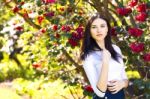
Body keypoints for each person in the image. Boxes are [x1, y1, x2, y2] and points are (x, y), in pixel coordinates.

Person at [80, 13, 129, 99]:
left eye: (102, 26)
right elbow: (100, 92)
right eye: (94, 27)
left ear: (107, 29)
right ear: (90, 31)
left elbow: (124, 77)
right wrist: (105, 62)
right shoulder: (88, 56)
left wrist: (123, 83)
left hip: (120, 96)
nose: (99, 30)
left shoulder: (115, 49)